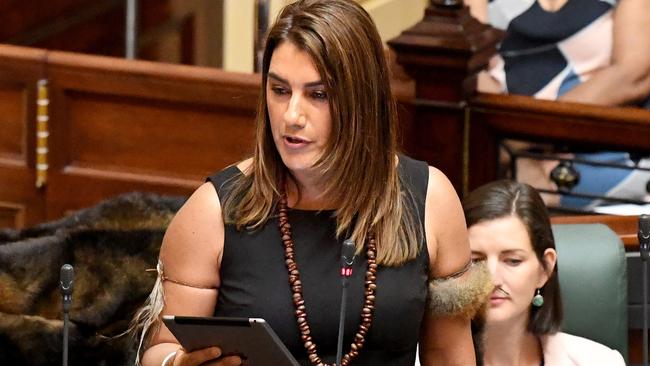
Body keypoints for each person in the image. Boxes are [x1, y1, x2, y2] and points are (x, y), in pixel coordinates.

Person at [133, 1, 491, 365]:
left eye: (318, 94)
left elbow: (449, 354)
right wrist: (176, 363)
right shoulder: (211, 211)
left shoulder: (430, 199)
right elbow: (159, 350)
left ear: (361, 101)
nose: (291, 116)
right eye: (280, 90)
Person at [465, 0, 650, 211]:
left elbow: (634, 75)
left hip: (614, 167)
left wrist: (514, 139)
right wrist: (512, 156)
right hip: (510, 175)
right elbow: (471, 68)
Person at [463, 180, 626, 365]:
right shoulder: (427, 361)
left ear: (545, 268)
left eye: (512, 261)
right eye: (475, 261)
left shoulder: (600, 361)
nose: (492, 279)